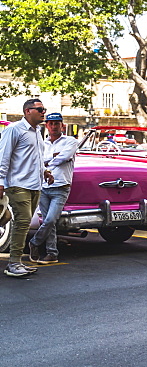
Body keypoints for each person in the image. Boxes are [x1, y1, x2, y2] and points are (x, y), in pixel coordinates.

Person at [0, 99, 47, 278]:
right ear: (28, 111)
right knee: (23, 221)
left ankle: (17, 261)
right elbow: (3, 156)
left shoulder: (37, 132)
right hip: (18, 184)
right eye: (40, 109)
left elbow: (37, 158)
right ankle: (13, 263)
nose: (44, 112)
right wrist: (0, 181)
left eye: (44, 109)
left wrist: (45, 171)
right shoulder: (14, 129)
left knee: (24, 223)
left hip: (35, 185)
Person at [27, 113, 79, 265]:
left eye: (57, 123)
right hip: (43, 187)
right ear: (47, 126)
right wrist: (53, 158)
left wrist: (49, 160)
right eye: (51, 123)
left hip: (61, 187)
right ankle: (52, 253)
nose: (54, 126)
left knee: (50, 220)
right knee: (49, 223)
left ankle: (35, 242)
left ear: (62, 125)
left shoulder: (71, 141)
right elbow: (38, 161)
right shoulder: (42, 143)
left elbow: (64, 157)